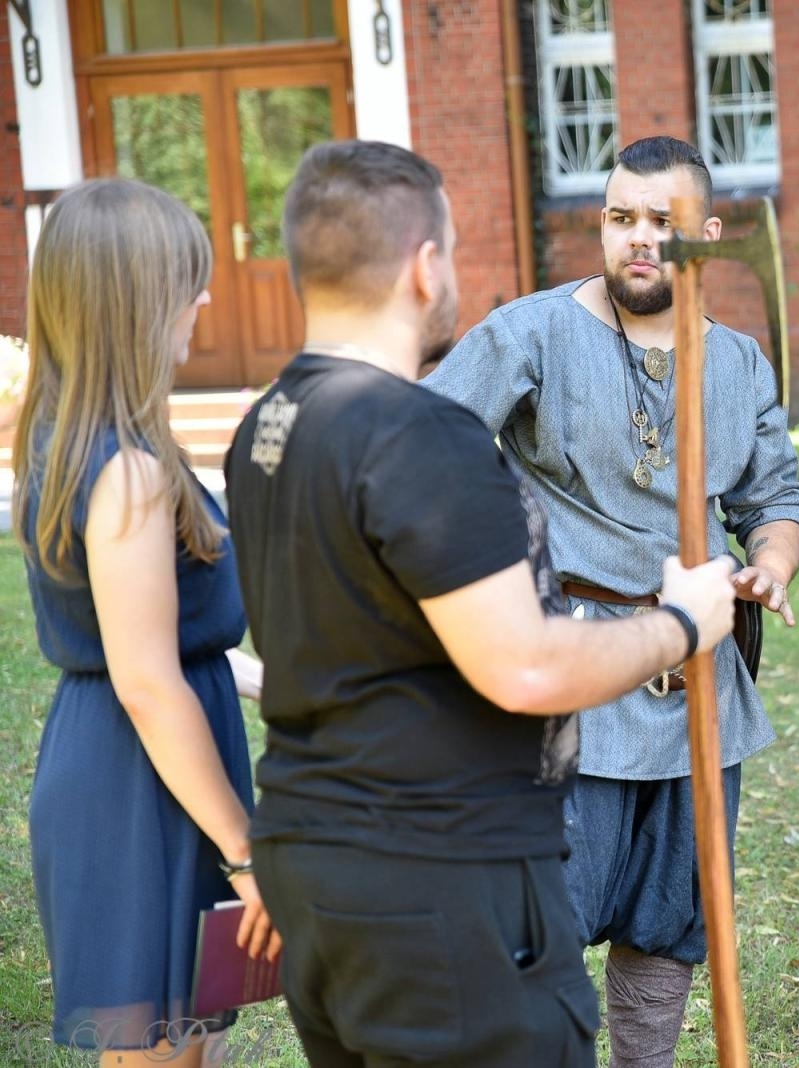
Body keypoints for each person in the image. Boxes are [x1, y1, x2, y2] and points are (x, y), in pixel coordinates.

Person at [223, 140, 738, 1068]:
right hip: (438, 885)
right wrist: (681, 624)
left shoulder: (269, 422)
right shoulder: (423, 437)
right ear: (425, 268)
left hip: (314, 858)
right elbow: (528, 664)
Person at [426, 134, 799, 1068]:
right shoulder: (531, 334)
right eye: (620, 218)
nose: (639, 239)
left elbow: (776, 500)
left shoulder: (739, 363)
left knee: (673, 921)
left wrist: (770, 563)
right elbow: (419, 443)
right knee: (547, 921)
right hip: (576, 676)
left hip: (698, 686)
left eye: (662, 223)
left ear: (707, 234)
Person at [15, 178, 277, 1064]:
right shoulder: (122, 469)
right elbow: (146, 683)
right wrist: (245, 852)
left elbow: (144, 640)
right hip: (142, 788)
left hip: (147, 766)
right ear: (133, 301)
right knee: (162, 1052)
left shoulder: (77, 434)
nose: (203, 299)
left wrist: (245, 676)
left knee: (179, 1045)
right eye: (185, 280)